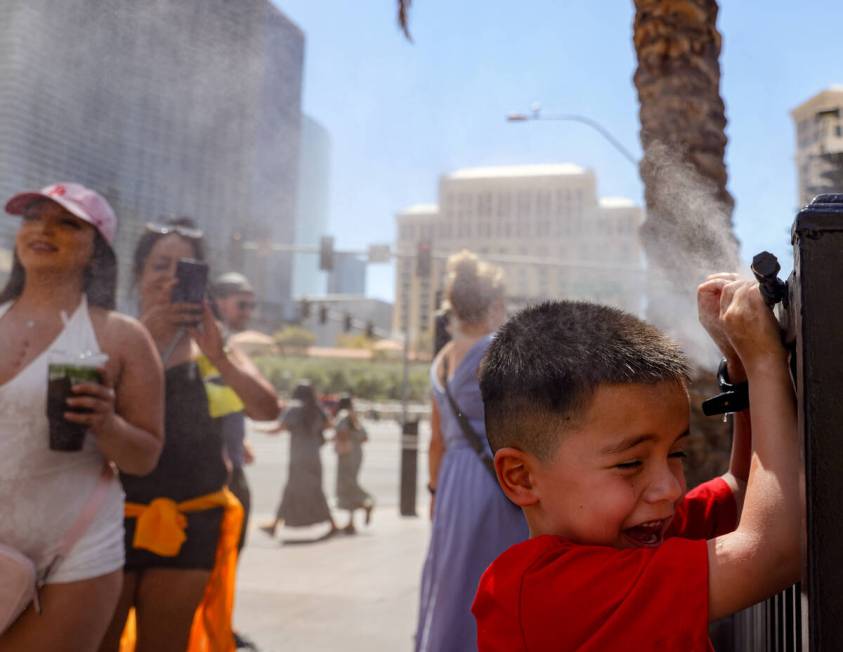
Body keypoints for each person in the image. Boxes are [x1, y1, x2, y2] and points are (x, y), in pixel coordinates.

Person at [473, 277, 800, 651]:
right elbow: (775, 550)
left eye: (676, 454)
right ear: (522, 477)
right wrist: (764, 361)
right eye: (630, 464)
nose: (671, 488)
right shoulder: (544, 593)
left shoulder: (635, 536)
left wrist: (740, 367)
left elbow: (743, 491)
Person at [0, 182, 164, 651]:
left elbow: (145, 458)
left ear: (97, 252)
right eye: (33, 217)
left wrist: (107, 424)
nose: (43, 228)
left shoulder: (121, 337)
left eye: (67, 223)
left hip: (72, 548)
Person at [98, 218, 269, 652]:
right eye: (160, 265)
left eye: (186, 268)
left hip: (193, 518)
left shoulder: (214, 344)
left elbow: (266, 409)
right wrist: (145, 339)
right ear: (138, 274)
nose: (172, 277)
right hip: (108, 519)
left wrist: (220, 355)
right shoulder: (109, 335)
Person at [415, 250, 529, 652]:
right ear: (495, 304)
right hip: (498, 480)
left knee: (454, 580)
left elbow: (436, 440)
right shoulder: (497, 350)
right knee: (498, 578)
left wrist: (433, 493)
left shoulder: (442, 360)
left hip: (452, 481)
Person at [207, 271, 279, 650]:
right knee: (218, 559)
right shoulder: (211, 342)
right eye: (242, 303)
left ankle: (220, 626)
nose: (249, 310)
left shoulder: (224, 343)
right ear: (217, 300)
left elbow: (227, 401)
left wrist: (238, 438)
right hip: (218, 474)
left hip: (230, 463)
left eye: (252, 303)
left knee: (228, 559)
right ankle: (214, 630)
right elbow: (207, 399)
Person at [260, 382, 338, 538]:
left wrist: (259, 430)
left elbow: (278, 428)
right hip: (314, 457)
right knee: (315, 490)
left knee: (291, 490)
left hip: (298, 457)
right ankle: (276, 524)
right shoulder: (318, 409)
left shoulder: (294, 409)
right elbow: (330, 425)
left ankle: (275, 525)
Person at [333, 395, 374, 534]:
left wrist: (339, 441)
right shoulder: (354, 418)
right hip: (357, 454)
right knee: (349, 485)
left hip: (346, 455)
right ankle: (351, 522)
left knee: (348, 485)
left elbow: (341, 433)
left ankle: (366, 503)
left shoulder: (343, 416)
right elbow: (365, 437)